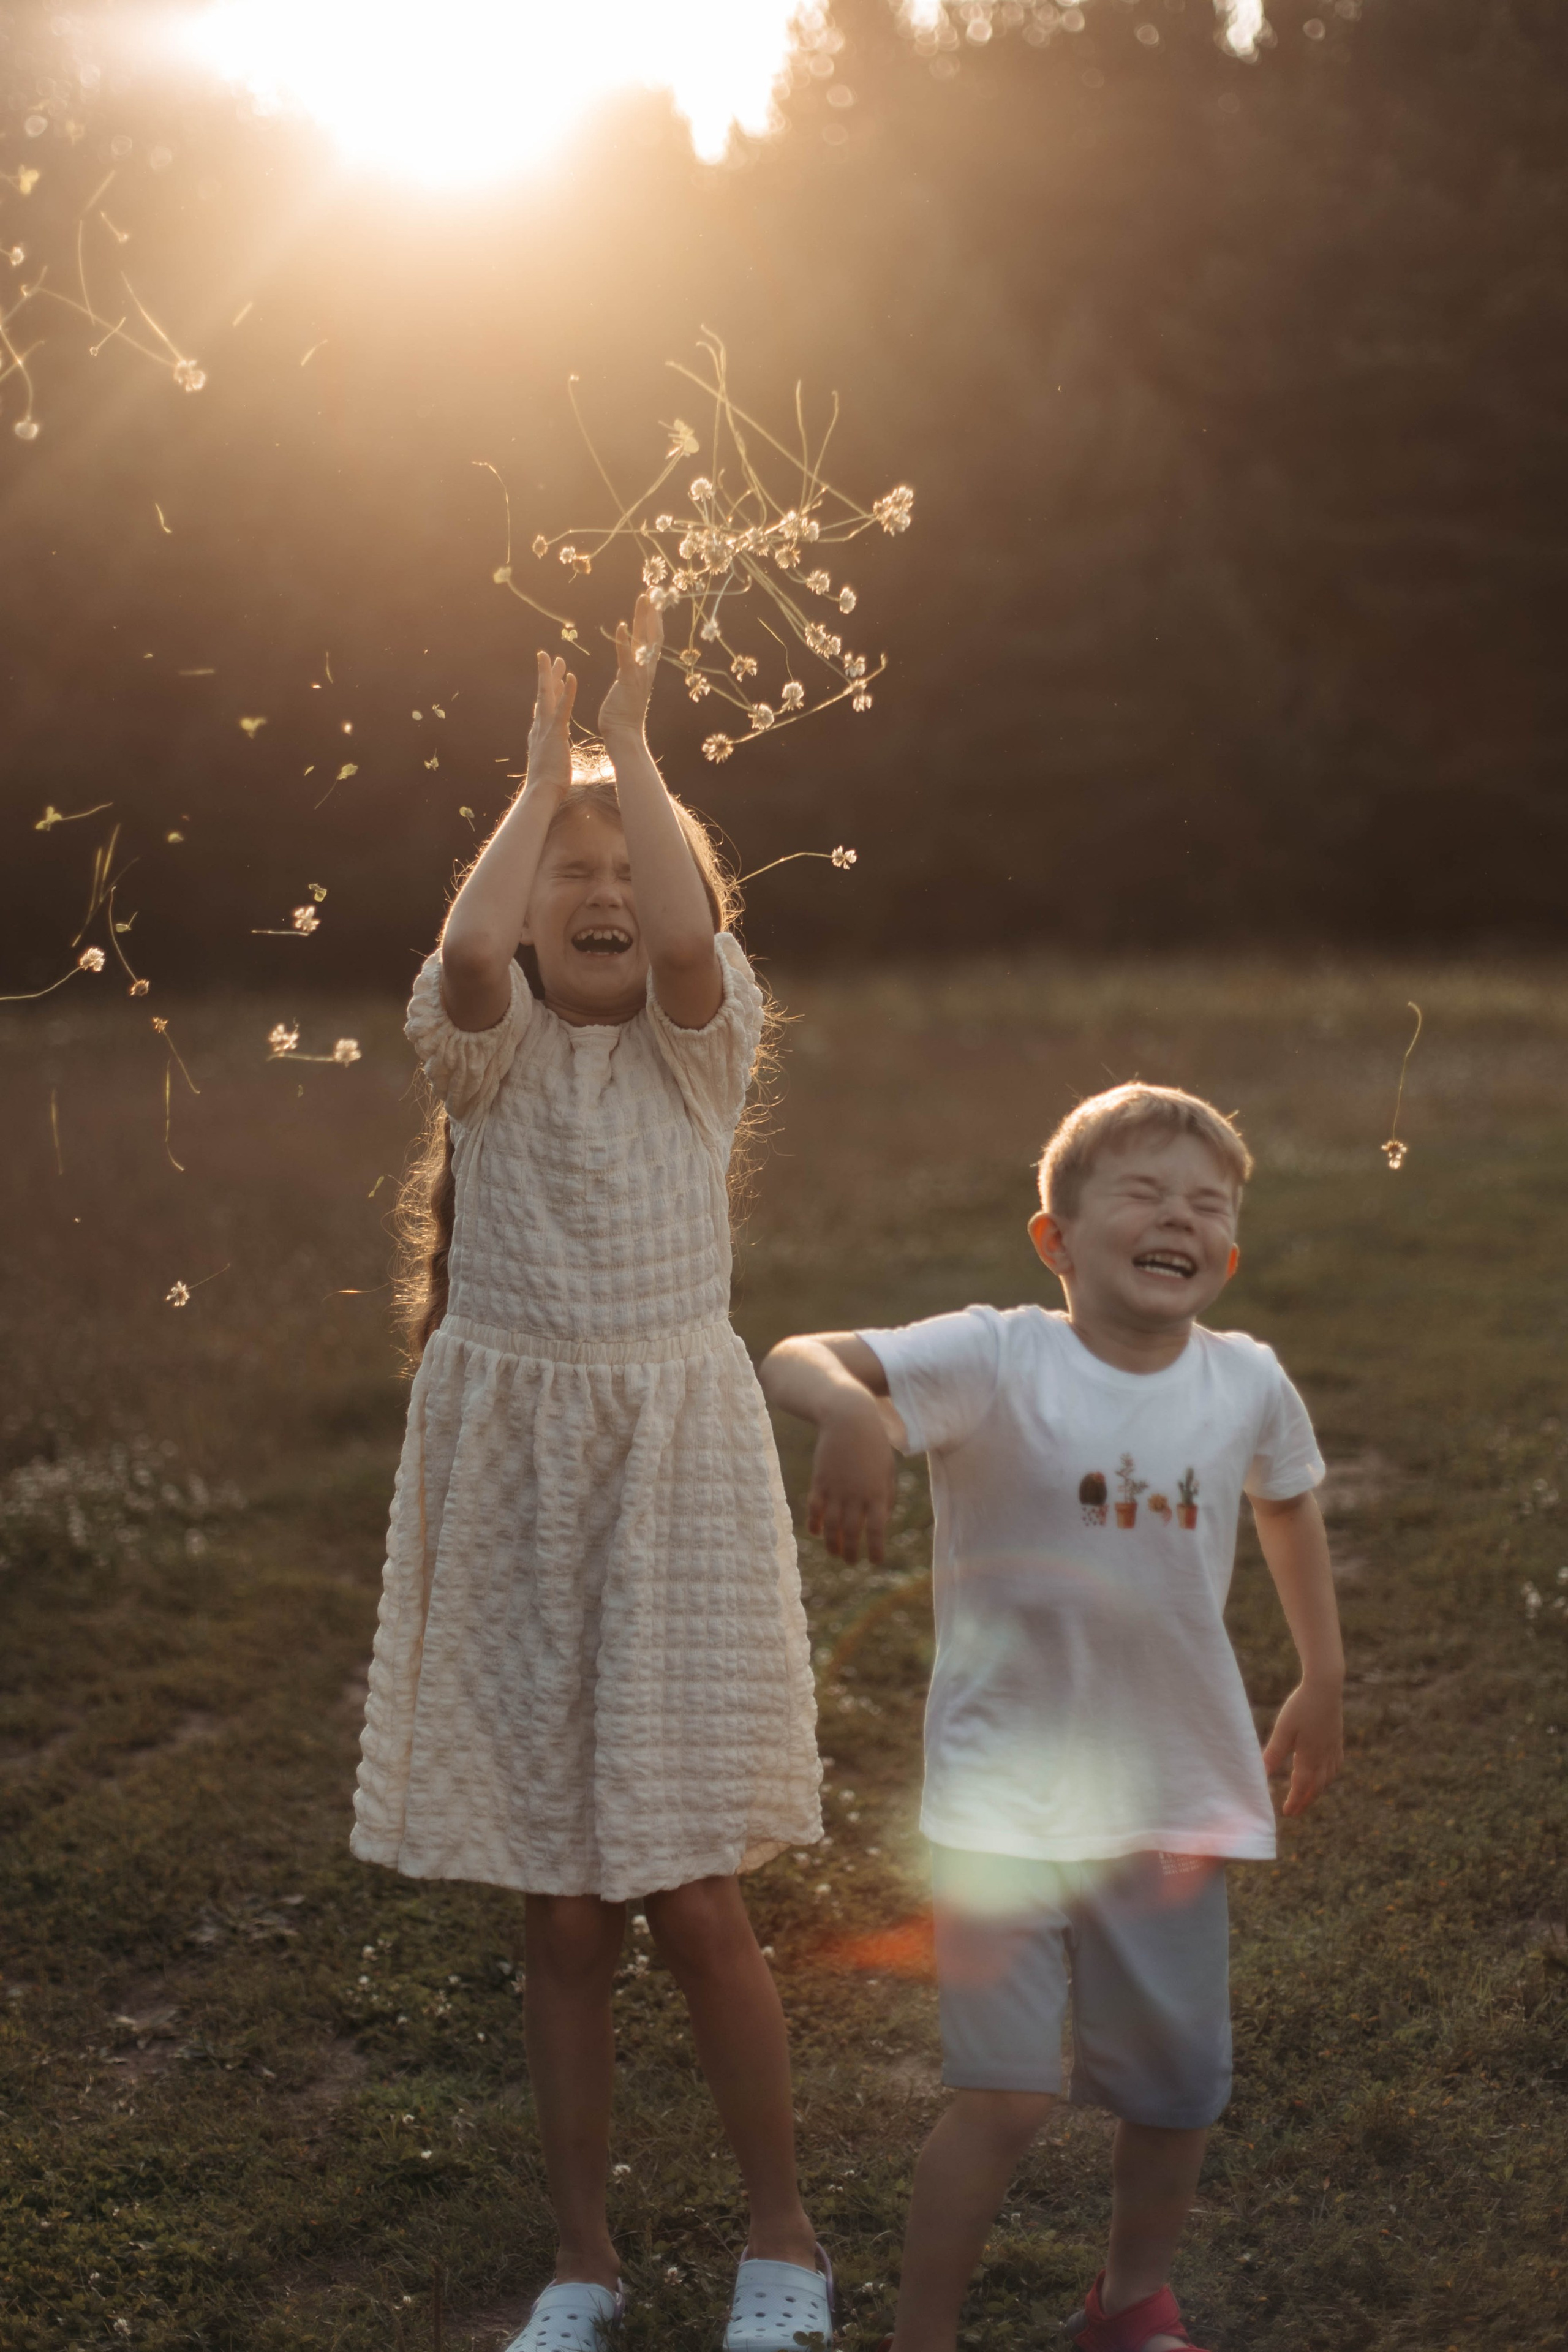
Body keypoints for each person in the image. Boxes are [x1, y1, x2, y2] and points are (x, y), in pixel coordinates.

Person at [351, 596, 831, 2352]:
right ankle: (584, 2258)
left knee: (694, 1890)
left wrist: (634, 744)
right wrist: (539, 776)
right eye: (570, 870)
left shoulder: (702, 1055)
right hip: (521, 1490)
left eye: (626, 864)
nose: (600, 888)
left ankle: (783, 2239)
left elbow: (695, 937)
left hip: (675, 1492)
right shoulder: (476, 1050)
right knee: (564, 1907)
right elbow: (470, 954)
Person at [759, 1083, 1344, 2352]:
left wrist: (1319, 1674)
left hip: (1173, 1800)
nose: (1175, 1218)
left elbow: (1287, 1499)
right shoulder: (996, 1356)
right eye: (1139, 1193)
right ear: (1055, 1239)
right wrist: (852, 1408)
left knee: (1175, 2091)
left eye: (1204, 1205)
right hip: (1001, 1802)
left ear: (1225, 1256)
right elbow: (791, 1357)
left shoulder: (1244, 1381)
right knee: (1005, 2097)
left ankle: (1128, 2303)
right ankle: (923, 2336)